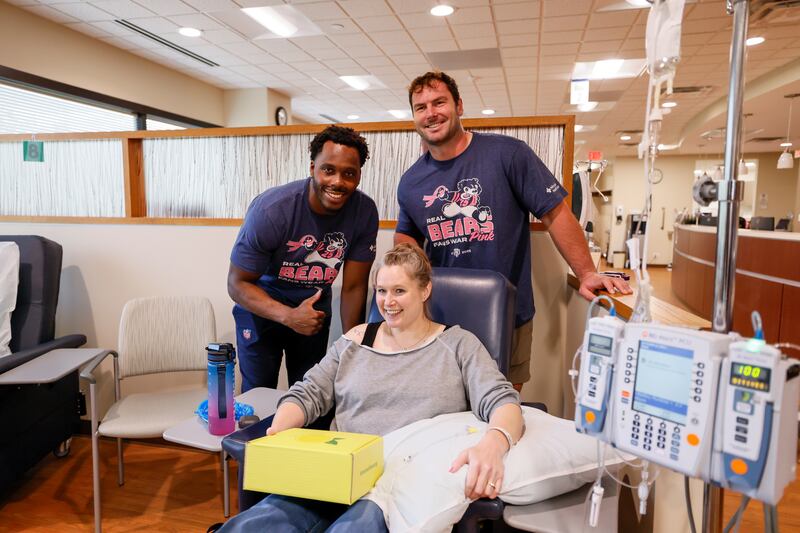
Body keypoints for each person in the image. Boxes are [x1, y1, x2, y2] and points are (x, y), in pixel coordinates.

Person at [218, 244, 524, 532]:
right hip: (337, 474)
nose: (388, 302)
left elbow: (503, 402)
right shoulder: (355, 341)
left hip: (400, 485)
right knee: (256, 524)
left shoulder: (458, 345)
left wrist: (493, 444)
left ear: (425, 290)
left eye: (399, 291)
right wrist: (279, 431)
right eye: (381, 291)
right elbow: (308, 392)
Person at [394, 71, 632, 390]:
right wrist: (404, 286)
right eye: (421, 107)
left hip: (508, 314)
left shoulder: (507, 154)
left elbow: (555, 213)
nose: (431, 113)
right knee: (444, 406)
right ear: (414, 117)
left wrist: (587, 272)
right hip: (441, 315)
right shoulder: (412, 182)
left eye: (439, 102)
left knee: (502, 407)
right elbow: (406, 236)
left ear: (459, 106)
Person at [228, 125, 378, 392]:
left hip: (314, 309)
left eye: (349, 174)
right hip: (262, 307)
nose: (337, 182)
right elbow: (237, 284)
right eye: (328, 170)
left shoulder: (364, 212)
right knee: (257, 396)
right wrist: (288, 316)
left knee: (311, 394)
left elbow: (354, 287)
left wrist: (353, 343)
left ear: (359, 176)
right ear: (312, 168)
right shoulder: (272, 210)